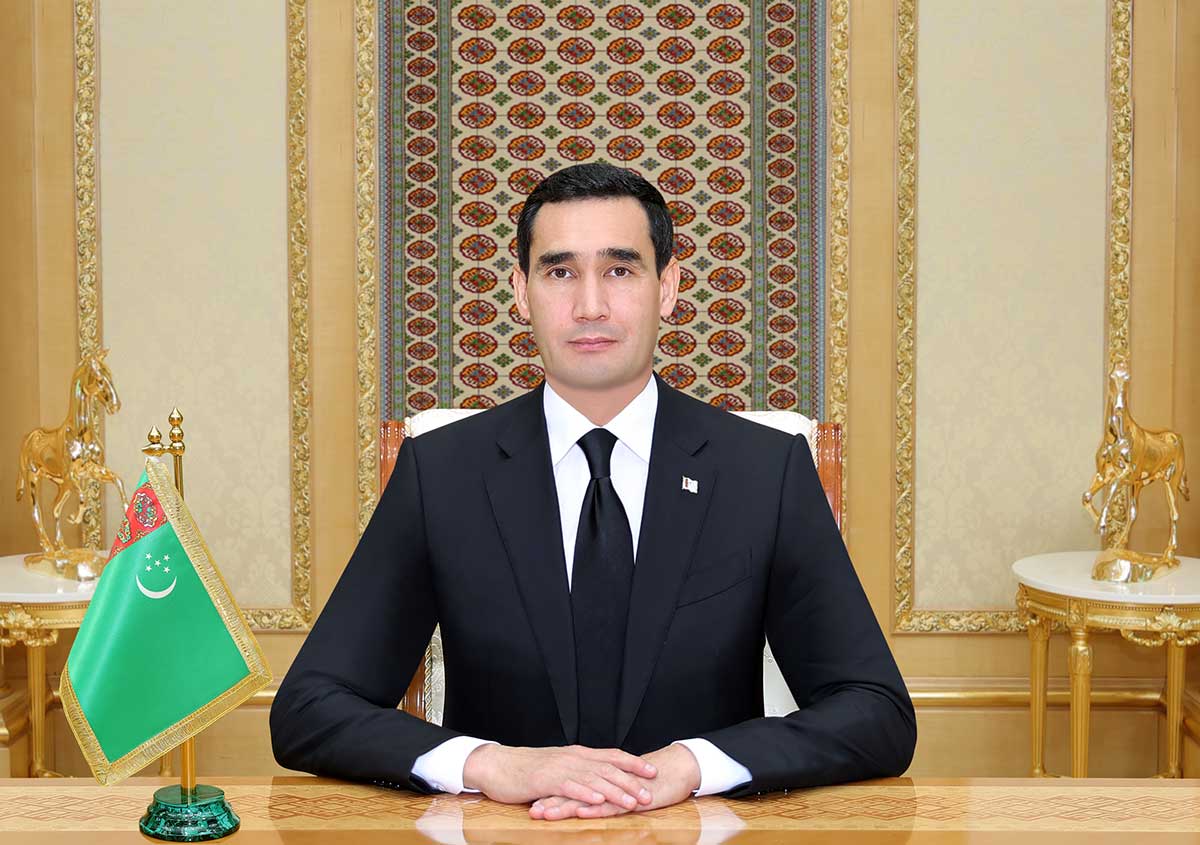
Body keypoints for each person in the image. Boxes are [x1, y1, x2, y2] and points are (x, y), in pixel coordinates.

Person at [270, 162, 916, 821]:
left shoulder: (764, 471)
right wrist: (490, 763)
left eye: (620, 270)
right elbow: (310, 708)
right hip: (506, 833)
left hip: (698, 830)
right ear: (521, 292)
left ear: (668, 287)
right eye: (559, 272)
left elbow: (877, 712)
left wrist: (693, 764)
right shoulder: (441, 473)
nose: (590, 306)